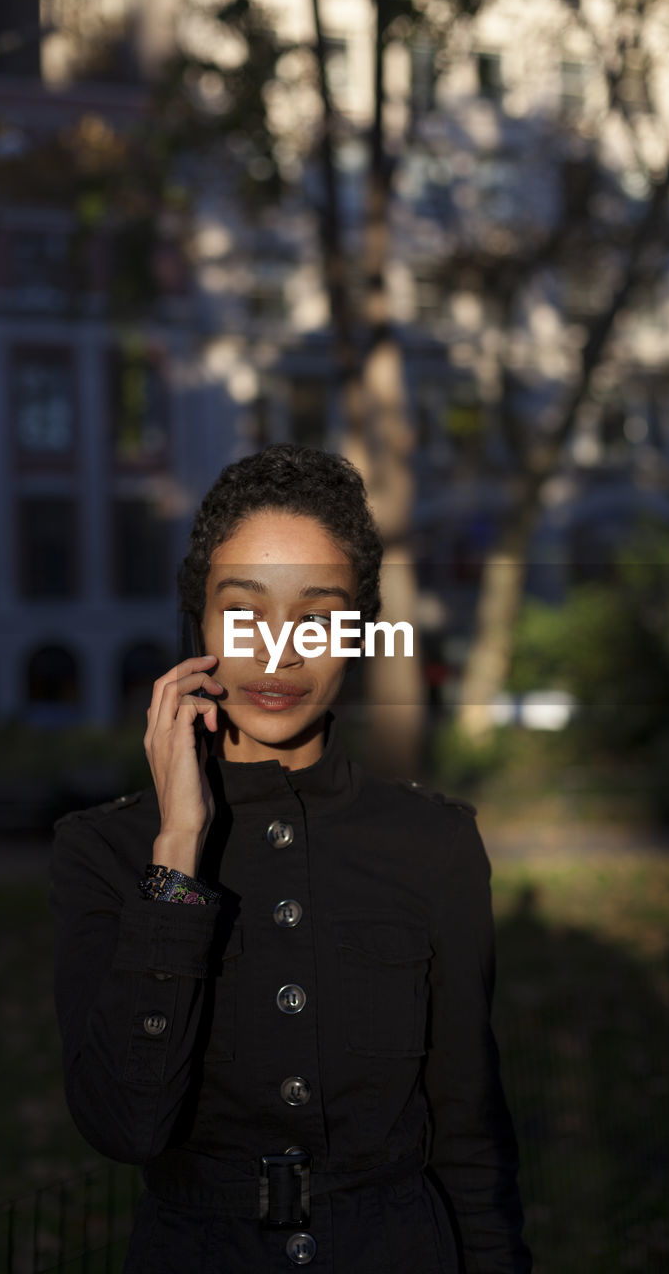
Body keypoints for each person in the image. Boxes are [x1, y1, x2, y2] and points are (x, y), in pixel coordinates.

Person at [49, 444, 532, 1273]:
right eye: (243, 613)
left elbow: (469, 1134)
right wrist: (177, 856)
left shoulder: (433, 844)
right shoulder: (107, 850)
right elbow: (125, 1127)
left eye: (315, 618)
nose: (278, 655)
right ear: (197, 624)